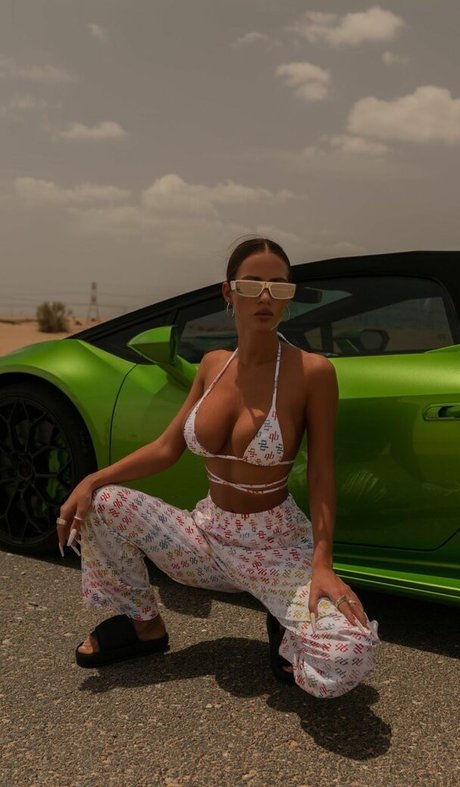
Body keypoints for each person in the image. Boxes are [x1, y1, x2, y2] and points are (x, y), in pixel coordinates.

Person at [56, 237, 378, 698]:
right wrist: (92, 478)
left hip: (272, 546)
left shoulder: (312, 372)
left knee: (351, 650)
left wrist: (322, 563)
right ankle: (143, 625)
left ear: (289, 296)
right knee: (102, 501)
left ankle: (285, 624)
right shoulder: (213, 365)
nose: (265, 297)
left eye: (279, 286)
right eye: (252, 284)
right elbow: (166, 448)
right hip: (205, 536)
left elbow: (323, 473)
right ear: (229, 293)